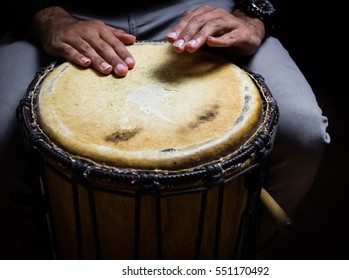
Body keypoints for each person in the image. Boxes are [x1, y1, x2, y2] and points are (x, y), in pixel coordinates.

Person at [0, 0, 330, 258]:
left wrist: (253, 15)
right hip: (62, 12)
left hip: (198, 9)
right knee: (3, 139)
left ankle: (229, 256)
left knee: (303, 133)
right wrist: (46, 17)